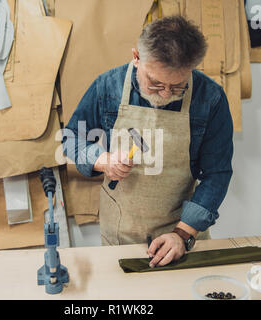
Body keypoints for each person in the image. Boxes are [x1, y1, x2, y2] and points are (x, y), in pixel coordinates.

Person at [62, 15, 233, 268]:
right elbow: (70, 138)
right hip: (120, 231)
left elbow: (217, 173)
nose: (165, 94)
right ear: (136, 56)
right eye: (155, 83)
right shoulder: (107, 86)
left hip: (180, 229)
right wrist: (101, 160)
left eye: (177, 86)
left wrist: (182, 235)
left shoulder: (210, 98)